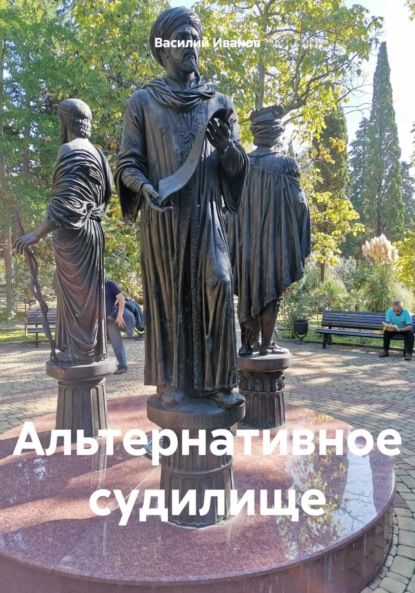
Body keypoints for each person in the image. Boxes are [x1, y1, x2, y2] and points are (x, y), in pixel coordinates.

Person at [115, 7, 248, 407]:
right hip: (165, 217)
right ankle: (171, 380)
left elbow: (237, 169)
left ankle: (220, 382)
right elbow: (128, 162)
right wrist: (144, 188)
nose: (191, 45)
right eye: (182, 39)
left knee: (219, 282)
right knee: (171, 298)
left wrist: (226, 148)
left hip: (207, 214)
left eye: (195, 38)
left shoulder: (218, 102)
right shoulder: (143, 101)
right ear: (163, 48)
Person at [15, 99, 112, 365]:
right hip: (93, 233)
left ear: (65, 122)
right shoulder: (99, 155)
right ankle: (87, 349)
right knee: (85, 294)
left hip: (74, 236)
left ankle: (79, 351)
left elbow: (65, 202)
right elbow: (105, 197)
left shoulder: (70, 150)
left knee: (77, 296)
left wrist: (37, 233)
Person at [227, 105, 311, 357]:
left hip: (245, 247)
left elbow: (228, 207)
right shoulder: (285, 164)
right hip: (274, 247)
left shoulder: (241, 164)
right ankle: (266, 344)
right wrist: (299, 235)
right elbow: (299, 204)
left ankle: (246, 345)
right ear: (277, 135)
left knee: (247, 292)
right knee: (271, 291)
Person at [105, 279, 137, 374]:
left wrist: (120, 315)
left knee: (116, 343)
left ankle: (123, 366)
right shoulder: (93, 286)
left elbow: (121, 298)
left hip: (112, 318)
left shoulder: (109, 284)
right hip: (101, 320)